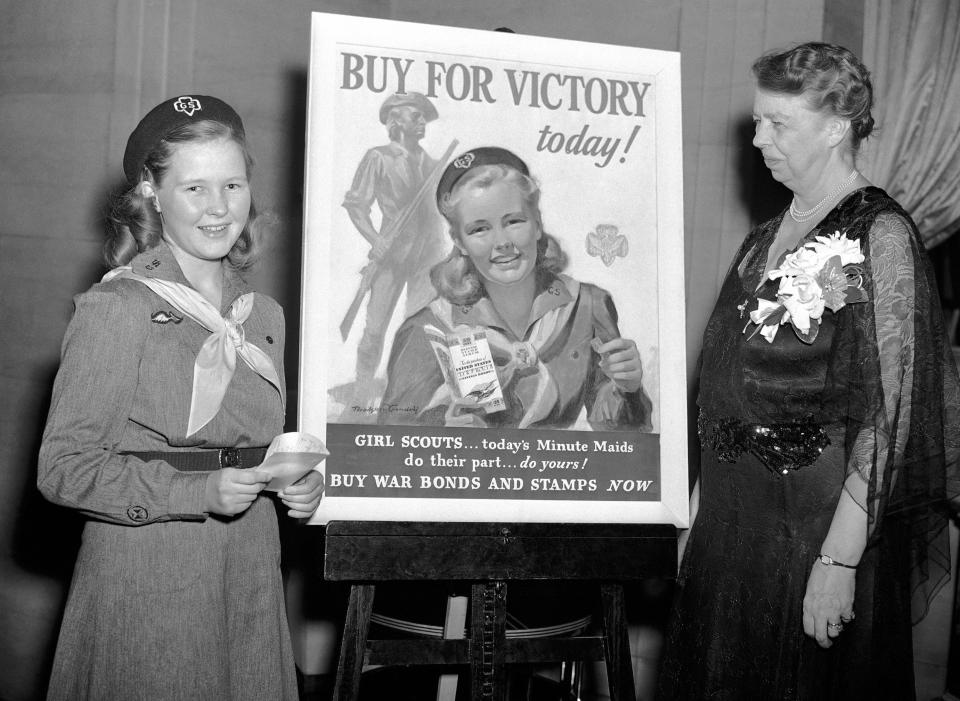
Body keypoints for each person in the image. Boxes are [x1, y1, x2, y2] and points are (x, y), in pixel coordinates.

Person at [657, 43, 960, 700]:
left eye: (778, 123)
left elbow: (891, 409)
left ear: (836, 125)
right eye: (759, 121)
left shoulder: (879, 235)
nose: (758, 137)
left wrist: (839, 558)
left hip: (813, 530)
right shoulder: (766, 237)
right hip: (734, 531)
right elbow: (733, 386)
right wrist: (698, 520)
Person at [37, 95, 324, 700]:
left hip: (248, 570)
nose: (220, 209)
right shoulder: (118, 308)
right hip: (150, 576)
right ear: (151, 192)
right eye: (195, 188)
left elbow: (253, 448)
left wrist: (295, 482)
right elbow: (63, 471)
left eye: (233, 185)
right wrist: (197, 492)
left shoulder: (263, 315)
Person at [379, 146, 652, 430]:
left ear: (537, 224)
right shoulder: (429, 329)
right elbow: (390, 444)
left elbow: (622, 439)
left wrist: (627, 389)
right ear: (459, 241)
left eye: (513, 222)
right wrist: (446, 436)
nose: (502, 242)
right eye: (479, 229)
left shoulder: (587, 306)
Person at [341, 91, 450, 388]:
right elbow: (357, 206)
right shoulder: (379, 157)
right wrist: (375, 240)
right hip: (391, 256)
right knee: (375, 328)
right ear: (394, 120)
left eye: (423, 118)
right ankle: (362, 391)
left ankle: (409, 391)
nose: (421, 122)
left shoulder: (434, 165)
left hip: (428, 257)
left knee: (421, 327)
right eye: (415, 116)